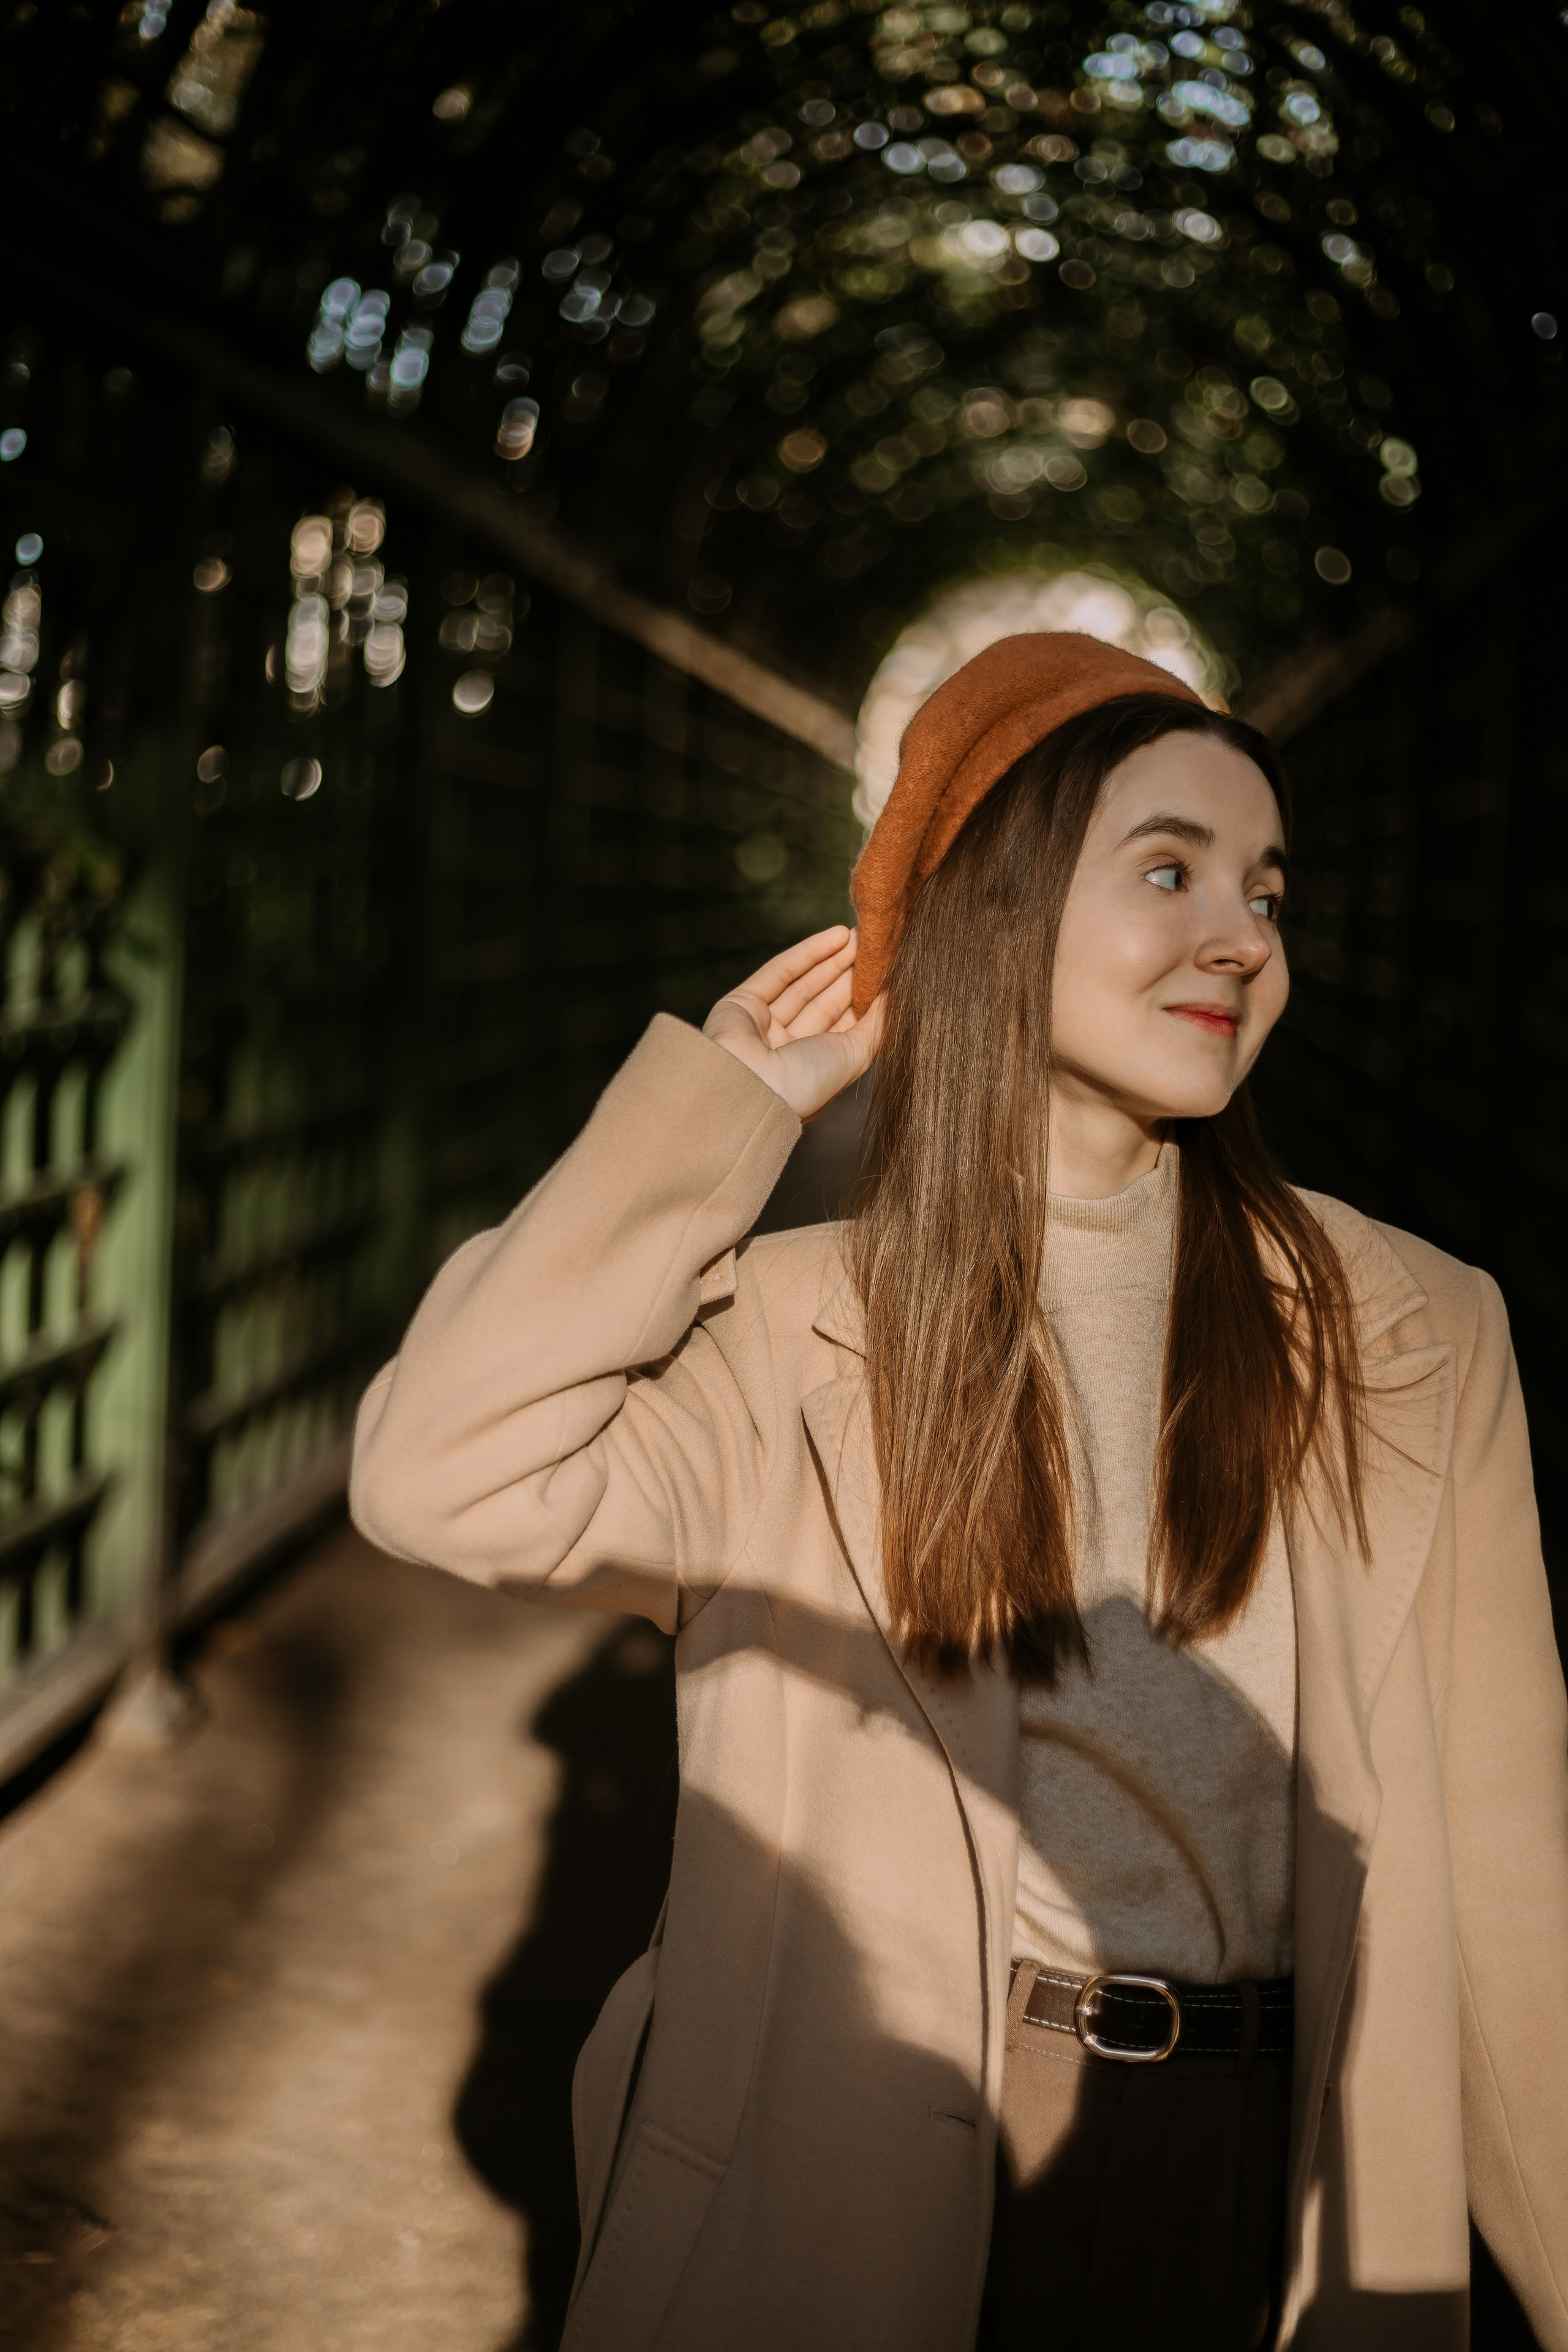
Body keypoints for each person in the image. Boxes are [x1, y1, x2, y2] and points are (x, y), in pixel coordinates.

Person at [350, 633, 1568, 2352]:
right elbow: (439, 1476)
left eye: (1269, 892)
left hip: (1279, 2174)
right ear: (1000, 908)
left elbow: (1509, 1889)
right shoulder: (796, 1329)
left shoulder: (1421, 1332)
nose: (1244, 938)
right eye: (1170, 871)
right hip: (866, 2166)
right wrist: (724, 1117)